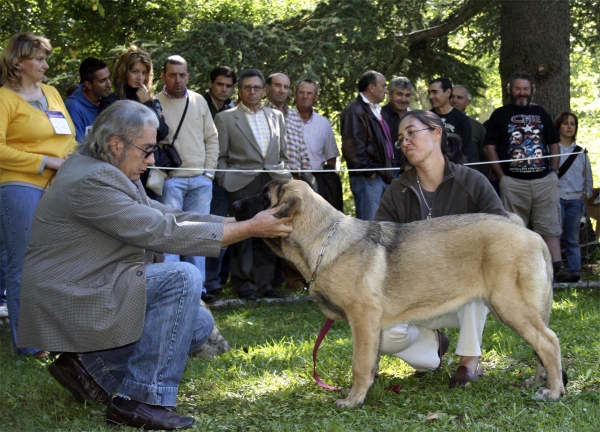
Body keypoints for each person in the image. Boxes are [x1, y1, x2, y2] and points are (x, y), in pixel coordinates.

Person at [18, 100, 293, 430]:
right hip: (72, 297)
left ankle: (91, 368)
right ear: (116, 144)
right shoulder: (92, 181)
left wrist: (236, 220)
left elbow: (166, 215)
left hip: (90, 287)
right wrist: (249, 229)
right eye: (147, 150)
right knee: (181, 278)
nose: (151, 161)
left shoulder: (105, 167)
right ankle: (139, 401)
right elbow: (161, 231)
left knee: (198, 327)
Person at [375, 110, 507, 387]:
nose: (406, 141)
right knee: (380, 336)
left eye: (412, 133)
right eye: (401, 138)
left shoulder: (472, 181)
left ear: (436, 133)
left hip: (465, 293)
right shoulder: (396, 190)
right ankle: (434, 344)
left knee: (473, 280)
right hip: (414, 296)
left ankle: (469, 361)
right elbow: (379, 246)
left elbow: (502, 233)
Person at [0, 32, 76, 358]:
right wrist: (44, 161)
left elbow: (70, 137)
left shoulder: (53, 93)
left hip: (60, 185)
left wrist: (73, 162)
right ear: (19, 62)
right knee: (25, 265)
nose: (46, 65)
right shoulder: (4, 98)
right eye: (40, 59)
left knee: (56, 263)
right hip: (20, 184)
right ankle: (29, 345)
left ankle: (55, 334)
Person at [215, 69, 292, 300]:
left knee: (271, 231)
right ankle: (245, 286)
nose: (252, 92)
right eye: (247, 87)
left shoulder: (276, 116)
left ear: (264, 91)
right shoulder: (226, 118)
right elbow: (220, 157)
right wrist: (225, 179)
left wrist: (283, 175)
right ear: (240, 90)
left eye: (257, 88)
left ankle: (265, 284)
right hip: (241, 182)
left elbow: (282, 153)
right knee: (243, 234)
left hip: (272, 182)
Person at [484, 71, 563, 276]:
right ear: (510, 90)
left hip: (544, 181)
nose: (522, 93)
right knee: (514, 229)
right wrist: (501, 176)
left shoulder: (541, 113)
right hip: (513, 182)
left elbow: (554, 143)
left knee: (549, 228)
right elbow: (489, 146)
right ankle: (516, 273)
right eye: (518, 89)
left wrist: (554, 171)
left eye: (525, 89)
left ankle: (555, 271)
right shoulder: (499, 114)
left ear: (531, 91)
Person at [155, 55, 219, 302]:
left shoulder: (199, 101)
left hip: (200, 180)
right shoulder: (154, 103)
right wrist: (166, 176)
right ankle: (172, 289)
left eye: (182, 75)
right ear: (163, 76)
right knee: (170, 235)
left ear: (189, 76)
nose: (178, 80)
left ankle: (198, 289)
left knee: (200, 235)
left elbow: (211, 138)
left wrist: (208, 173)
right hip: (172, 181)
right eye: (172, 74)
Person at [341, 70, 395, 221]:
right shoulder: (355, 111)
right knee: (369, 228)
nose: (386, 90)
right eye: (383, 86)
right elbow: (352, 148)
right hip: (368, 179)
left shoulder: (376, 110)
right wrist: (370, 172)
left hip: (381, 176)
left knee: (382, 225)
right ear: (371, 87)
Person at [202, 66, 237, 299]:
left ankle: (219, 279)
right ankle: (208, 281)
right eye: (220, 84)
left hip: (228, 177)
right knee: (209, 229)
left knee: (228, 228)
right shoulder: (198, 104)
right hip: (204, 175)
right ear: (211, 83)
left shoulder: (234, 109)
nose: (224, 89)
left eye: (228, 86)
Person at [555, 112, 593, 282]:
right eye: (565, 123)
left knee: (572, 238)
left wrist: (586, 194)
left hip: (576, 200)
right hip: (557, 198)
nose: (569, 127)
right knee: (554, 236)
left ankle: (574, 272)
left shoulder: (581, 152)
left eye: (572, 123)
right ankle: (555, 272)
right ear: (559, 127)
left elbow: (588, 177)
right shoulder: (553, 150)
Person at [65, 57, 112, 142]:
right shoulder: (74, 107)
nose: (109, 84)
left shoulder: (106, 101)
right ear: (88, 85)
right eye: (103, 81)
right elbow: (77, 147)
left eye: (109, 78)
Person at [428, 77, 473, 163]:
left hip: (455, 170)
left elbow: (467, 151)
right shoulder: (426, 117)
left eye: (434, 92)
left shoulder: (462, 119)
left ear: (448, 92)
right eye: (429, 93)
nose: (430, 96)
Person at [450, 84, 489, 176]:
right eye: (452, 97)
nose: (455, 101)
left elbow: (485, 158)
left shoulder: (478, 127)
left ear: (467, 102)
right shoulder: (438, 123)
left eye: (459, 98)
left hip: (470, 177)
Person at [381, 76, 413, 171]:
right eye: (399, 94)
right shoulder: (380, 116)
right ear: (390, 95)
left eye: (407, 95)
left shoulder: (414, 118)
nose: (403, 99)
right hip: (386, 173)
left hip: (410, 171)